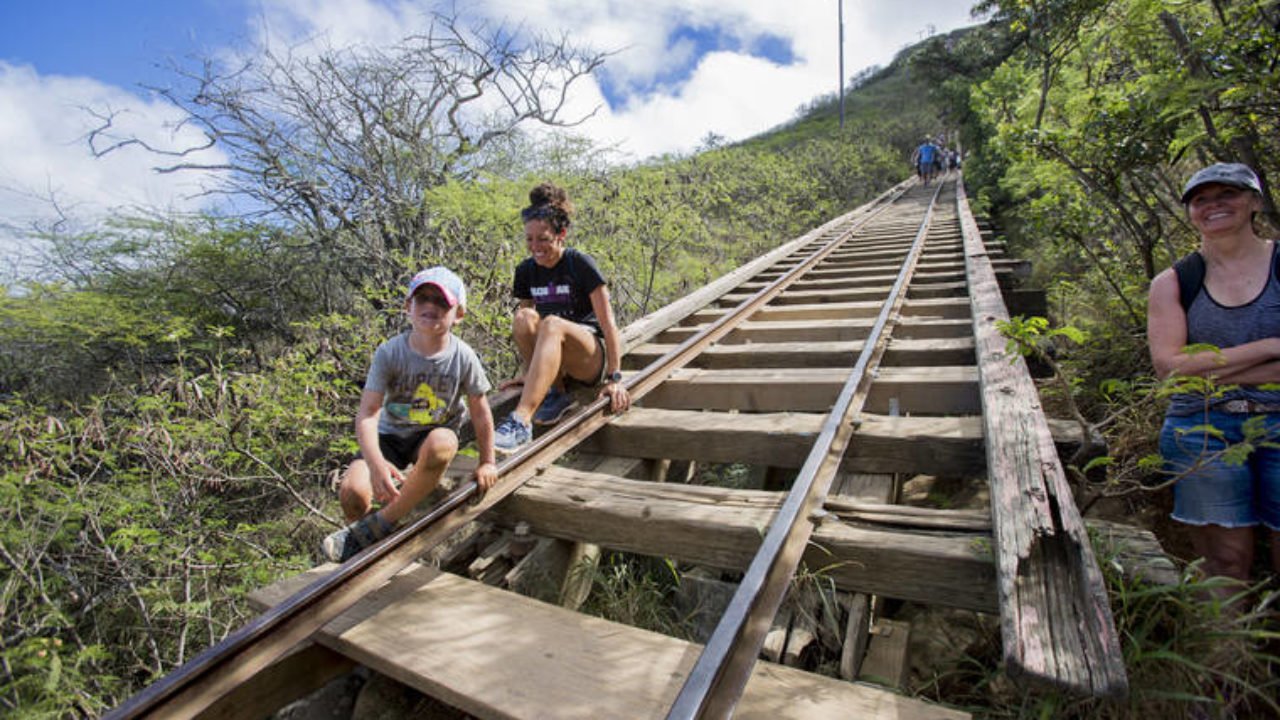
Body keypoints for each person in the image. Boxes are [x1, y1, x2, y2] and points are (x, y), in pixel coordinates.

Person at [1147, 162, 1280, 598]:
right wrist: (1270, 347)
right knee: (1223, 562)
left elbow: (1188, 368)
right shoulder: (1175, 282)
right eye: (1202, 199)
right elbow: (1170, 371)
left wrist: (1207, 367)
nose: (1214, 205)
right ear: (1190, 212)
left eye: (1228, 194)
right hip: (1201, 427)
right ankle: (1226, 662)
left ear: (1255, 201)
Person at [321, 266, 498, 563]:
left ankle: (383, 523)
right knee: (352, 491)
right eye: (423, 299)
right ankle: (365, 549)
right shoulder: (390, 353)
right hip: (390, 435)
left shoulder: (462, 356)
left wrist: (488, 462)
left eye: (442, 302)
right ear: (408, 307)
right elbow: (367, 413)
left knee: (442, 443)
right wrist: (376, 464)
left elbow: (481, 412)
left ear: (459, 314)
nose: (430, 307)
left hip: (432, 434)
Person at [493, 182, 631, 454]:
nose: (535, 247)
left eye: (543, 239)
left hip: (590, 356)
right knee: (523, 317)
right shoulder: (526, 271)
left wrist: (615, 378)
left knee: (552, 323)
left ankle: (521, 422)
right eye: (529, 239)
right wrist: (528, 373)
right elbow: (527, 329)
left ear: (561, 234)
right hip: (555, 356)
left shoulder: (578, 263)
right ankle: (555, 392)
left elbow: (608, 323)